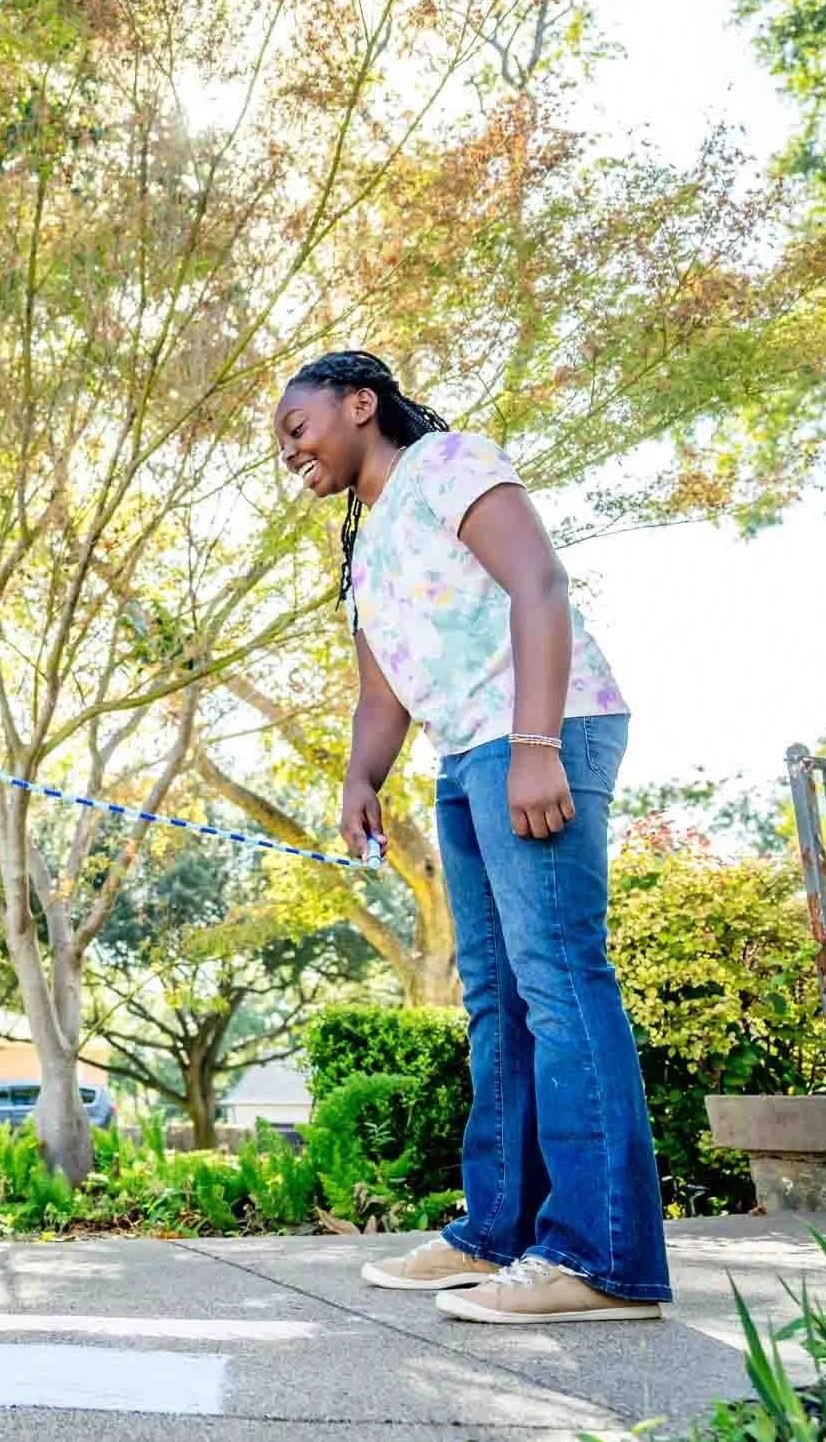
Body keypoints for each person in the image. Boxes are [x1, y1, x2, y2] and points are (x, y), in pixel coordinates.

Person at [271, 350, 668, 1324]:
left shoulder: (445, 463)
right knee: (496, 996)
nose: (288, 452)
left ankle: (603, 1258)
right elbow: (379, 693)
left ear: (361, 403)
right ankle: (499, 1230)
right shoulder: (365, 545)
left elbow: (538, 583)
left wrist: (535, 744)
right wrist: (361, 776)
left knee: (559, 978)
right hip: (465, 750)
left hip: (539, 727)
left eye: (297, 426)